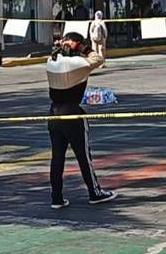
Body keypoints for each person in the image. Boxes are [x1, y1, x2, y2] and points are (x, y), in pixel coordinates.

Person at [43, 31, 116, 209]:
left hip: (54, 113)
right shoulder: (77, 64)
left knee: (57, 157)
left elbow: (56, 54)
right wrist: (84, 47)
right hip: (73, 112)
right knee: (83, 156)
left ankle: (56, 198)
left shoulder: (51, 62)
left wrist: (63, 45)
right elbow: (98, 59)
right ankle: (94, 192)